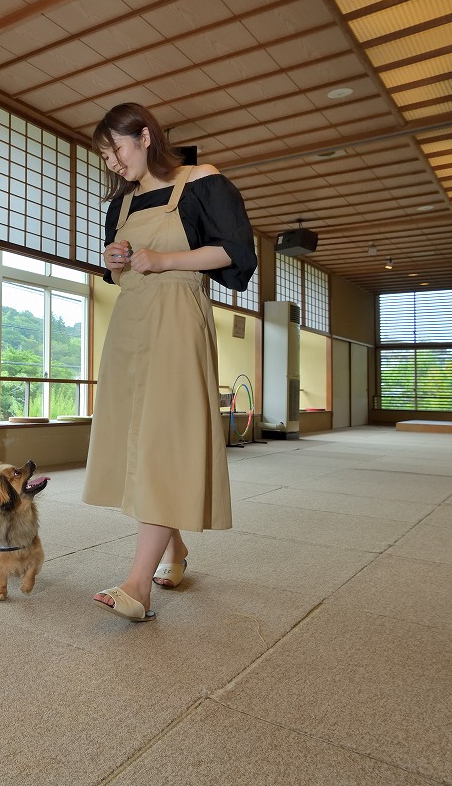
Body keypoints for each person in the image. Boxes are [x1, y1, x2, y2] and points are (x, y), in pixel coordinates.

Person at [83, 102, 256, 622]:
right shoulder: (122, 204)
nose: (112, 163)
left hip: (178, 318)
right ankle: (174, 551)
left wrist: (164, 261)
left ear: (143, 135)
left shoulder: (204, 182)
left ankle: (139, 585)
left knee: (162, 441)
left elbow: (236, 254)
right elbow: (122, 266)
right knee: (138, 440)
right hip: (131, 322)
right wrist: (116, 262)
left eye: (115, 150)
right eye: (105, 157)